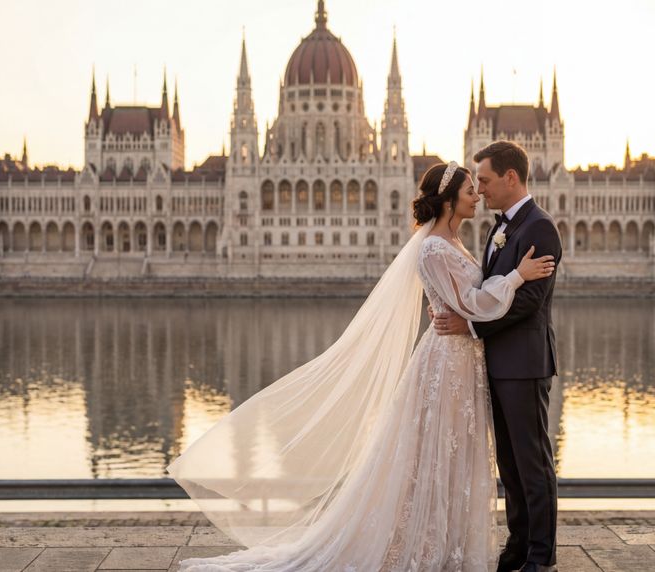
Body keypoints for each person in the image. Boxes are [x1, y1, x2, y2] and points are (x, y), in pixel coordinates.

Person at [166, 161, 554, 571]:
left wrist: (475, 302)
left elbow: (466, 302)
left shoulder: (458, 240)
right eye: (471, 189)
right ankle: (433, 547)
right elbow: (473, 303)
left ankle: (451, 542)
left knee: (454, 457)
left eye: (482, 186)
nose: (478, 194)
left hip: (463, 360)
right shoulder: (435, 247)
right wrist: (514, 277)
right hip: (448, 362)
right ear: (448, 199)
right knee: (437, 456)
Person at [434, 141, 562, 572]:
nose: (481, 190)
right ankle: (519, 545)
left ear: (511, 178)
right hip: (495, 364)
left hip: (524, 366)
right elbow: (488, 289)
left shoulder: (540, 228)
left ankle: (541, 558)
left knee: (533, 463)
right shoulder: (500, 227)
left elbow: (527, 302)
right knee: (509, 464)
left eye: (485, 181)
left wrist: (469, 326)